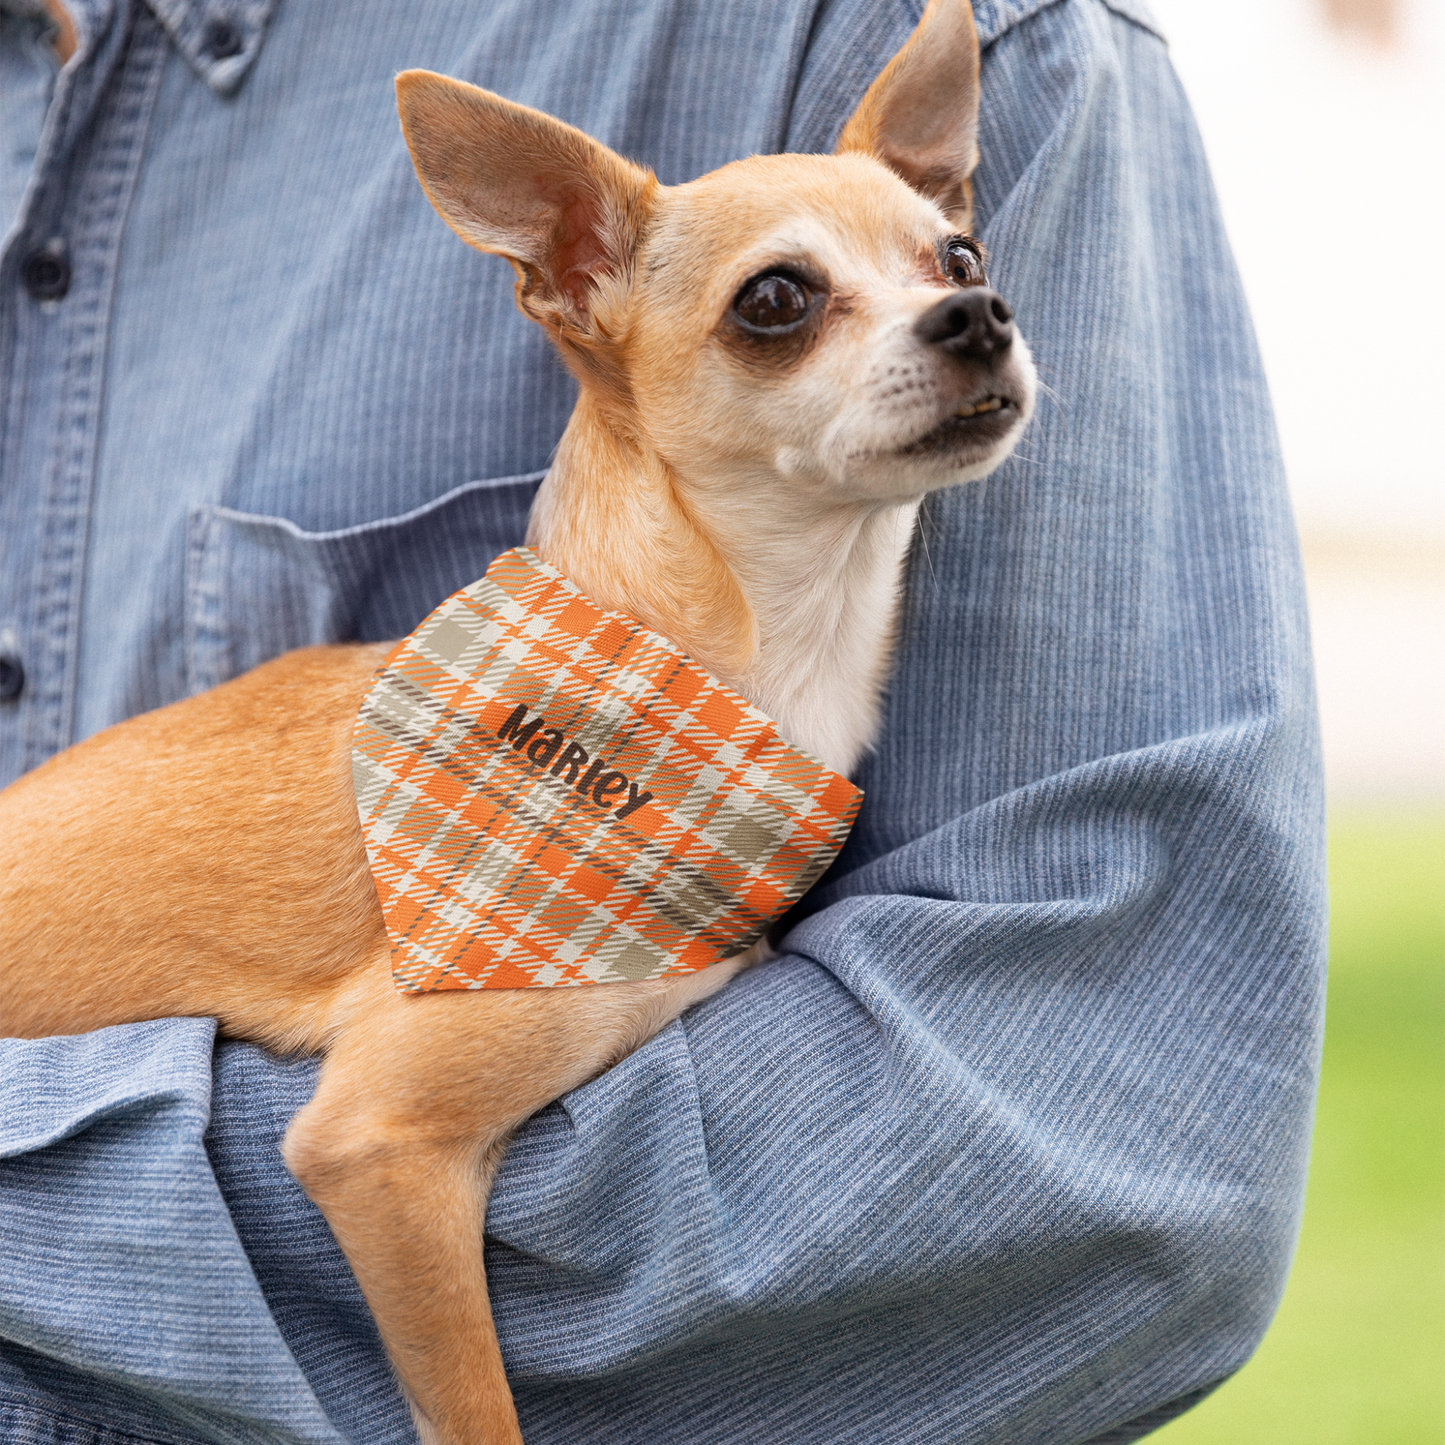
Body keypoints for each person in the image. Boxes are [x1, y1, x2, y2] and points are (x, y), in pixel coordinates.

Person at [0, 0, 1326, 1440]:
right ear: (577, 275)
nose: (956, 313)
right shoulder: (564, 830)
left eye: (950, 261)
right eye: (781, 306)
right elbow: (377, 1146)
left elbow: (1108, 1175)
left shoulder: (662, 803)